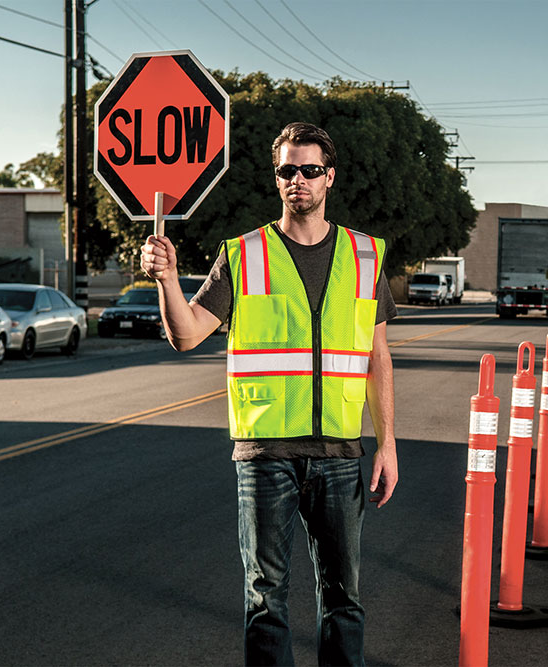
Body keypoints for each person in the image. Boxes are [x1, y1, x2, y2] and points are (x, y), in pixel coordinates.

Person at [140, 121, 398, 666]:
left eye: (308, 170)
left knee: (344, 600)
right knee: (265, 601)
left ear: (329, 176)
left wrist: (389, 446)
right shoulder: (242, 254)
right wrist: (167, 280)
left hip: (340, 455)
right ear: (275, 178)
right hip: (265, 458)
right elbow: (186, 335)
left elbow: (377, 359)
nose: (296, 180)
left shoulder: (366, 254)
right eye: (286, 171)